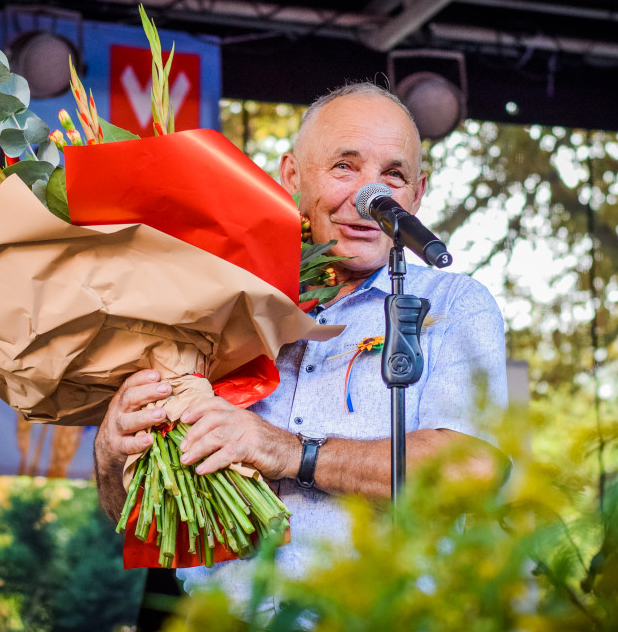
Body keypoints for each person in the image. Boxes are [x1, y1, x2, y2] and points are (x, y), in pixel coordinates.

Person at [94, 82, 509, 611]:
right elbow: (134, 516)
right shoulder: (219, 297)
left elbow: (469, 472)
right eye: (345, 167)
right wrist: (112, 450)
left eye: (393, 175)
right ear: (291, 175)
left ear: (417, 194)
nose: (369, 194)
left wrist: (292, 452)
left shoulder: (454, 304)